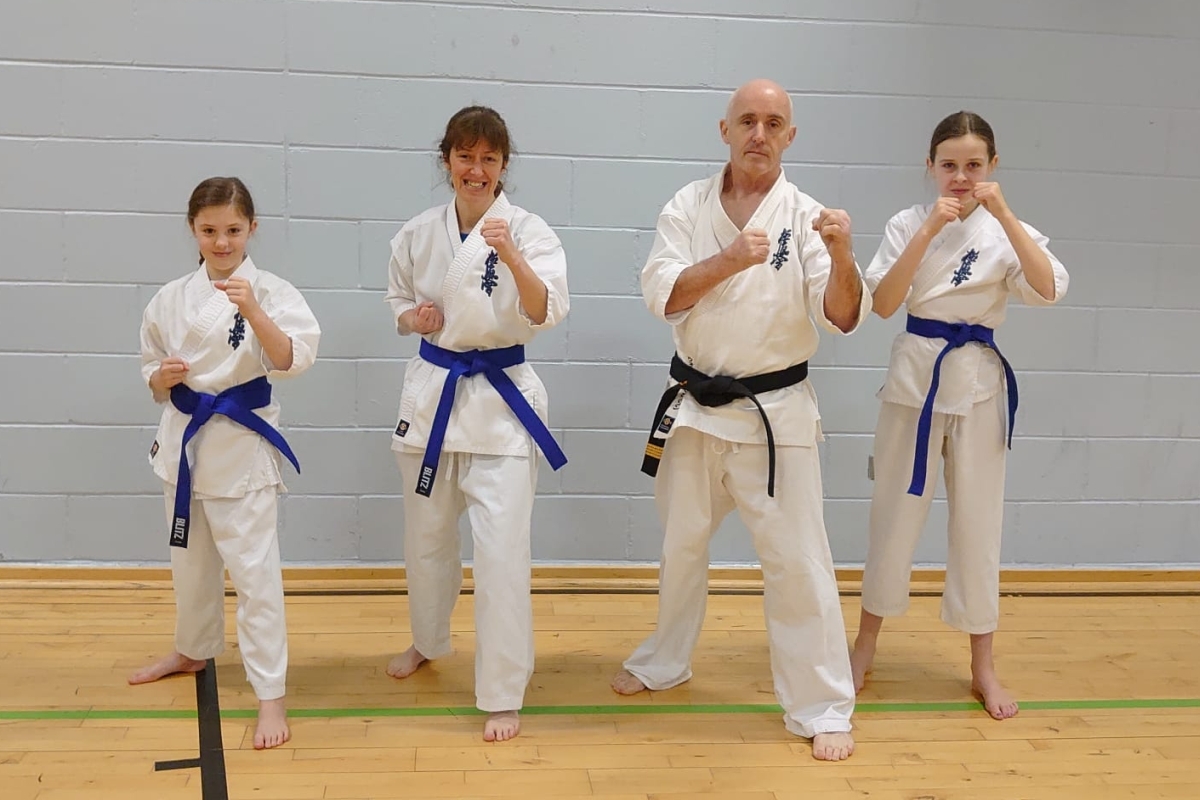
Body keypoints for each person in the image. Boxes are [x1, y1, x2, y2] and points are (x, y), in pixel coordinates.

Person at [610, 79, 870, 762]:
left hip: (774, 416)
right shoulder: (686, 206)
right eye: (747, 120)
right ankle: (665, 660)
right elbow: (661, 295)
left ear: (790, 137)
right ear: (724, 130)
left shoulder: (809, 216)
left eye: (774, 122)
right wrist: (729, 259)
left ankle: (820, 703)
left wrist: (843, 254)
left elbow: (842, 315)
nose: (760, 133)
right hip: (695, 410)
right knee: (680, 547)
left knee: (799, 562)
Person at [848, 111, 1069, 720]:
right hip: (914, 382)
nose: (962, 176)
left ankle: (982, 665)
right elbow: (884, 303)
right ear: (930, 166)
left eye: (974, 165)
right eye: (950, 165)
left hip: (979, 384)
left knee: (978, 524)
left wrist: (1004, 216)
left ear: (993, 168)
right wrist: (926, 234)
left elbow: (1048, 289)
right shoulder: (905, 224)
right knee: (892, 515)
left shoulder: (1008, 229)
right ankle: (864, 645)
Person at [383, 106, 569, 743]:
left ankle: (502, 691)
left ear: (503, 167)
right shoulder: (414, 234)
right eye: (465, 157)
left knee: (500, 556)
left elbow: (545, 310)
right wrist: (415, 320)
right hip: (434, 396)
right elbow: (398, 305)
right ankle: (429, 642)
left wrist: (511, 253)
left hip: (501, 405)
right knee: (427, 542)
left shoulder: (530, 230)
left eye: (489, 159)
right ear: (447, 162)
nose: (476, 170)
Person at [130, 176, 321, 750]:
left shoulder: (275, 291)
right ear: (193, 229)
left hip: (241, 449)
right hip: (185, 444)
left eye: (233, 230)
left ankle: (271, 695)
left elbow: (292, 358)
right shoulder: (169, 297)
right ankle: (192, 648)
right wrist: (158, 379)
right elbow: (152, 367)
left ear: (252, 230)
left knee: (256, 577)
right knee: (189, 565)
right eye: (209, 230)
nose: (221, 241)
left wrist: (255, 310)